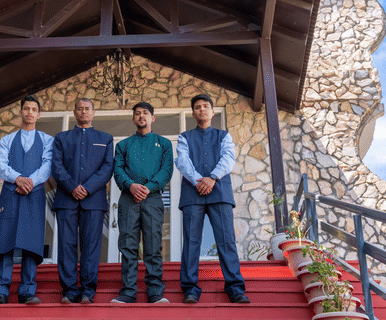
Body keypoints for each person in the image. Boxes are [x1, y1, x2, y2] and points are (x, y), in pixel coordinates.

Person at [175, 93, 250, 304]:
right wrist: (200, 180)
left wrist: (212, 178)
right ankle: (190, 288)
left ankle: (235, 288)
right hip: (192, 193)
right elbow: (182, 161)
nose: (202, 110)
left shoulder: (224, 136)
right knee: (191, 243)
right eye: (197, 107)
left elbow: (228, 158)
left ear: (212, 111)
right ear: (193, 113)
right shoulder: (184, 137)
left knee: (226, 241)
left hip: (220, 192)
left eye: (205, 106)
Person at [0, 95, 53, 305]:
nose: (30, 112)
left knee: (30, 241)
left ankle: (27, 291)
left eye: (34, 109)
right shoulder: (7, 140)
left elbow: (48, 166)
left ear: (38, 115)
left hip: (35, 193)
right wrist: (18, 179)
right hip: (11, 193)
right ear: (21, 112)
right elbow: (0, 166)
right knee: (5, 239)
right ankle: (1, 290)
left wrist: (30, 182)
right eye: (26, 108)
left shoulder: (48, 140)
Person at [51, 98, 114, 304]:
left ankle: (88, 290)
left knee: (91, 246)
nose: (84, 112)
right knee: (66, 245)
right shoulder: (62, 138)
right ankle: (69, 290)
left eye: (87, 109)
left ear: (93, 113)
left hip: (93, 200)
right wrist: (72, 186)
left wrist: (86, 188)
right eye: (80, 108)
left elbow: (107, 168)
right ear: (75, 112)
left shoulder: (105, 138)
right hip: (66, 199)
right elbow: (57, 166)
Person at [110, 102, 174, 304]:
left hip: (153, 198)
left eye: (145, 113)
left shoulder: (164, 144)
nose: (141, 116)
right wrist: (131, 186)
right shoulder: (123, 145)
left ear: (153, 118)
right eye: (137, 113)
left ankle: (155, 291)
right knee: (128, 245)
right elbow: (118, 170)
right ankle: (128, 291)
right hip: (129, 198)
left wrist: (150, 186)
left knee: (153, 245)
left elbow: (167, 170)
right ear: (133, 119)